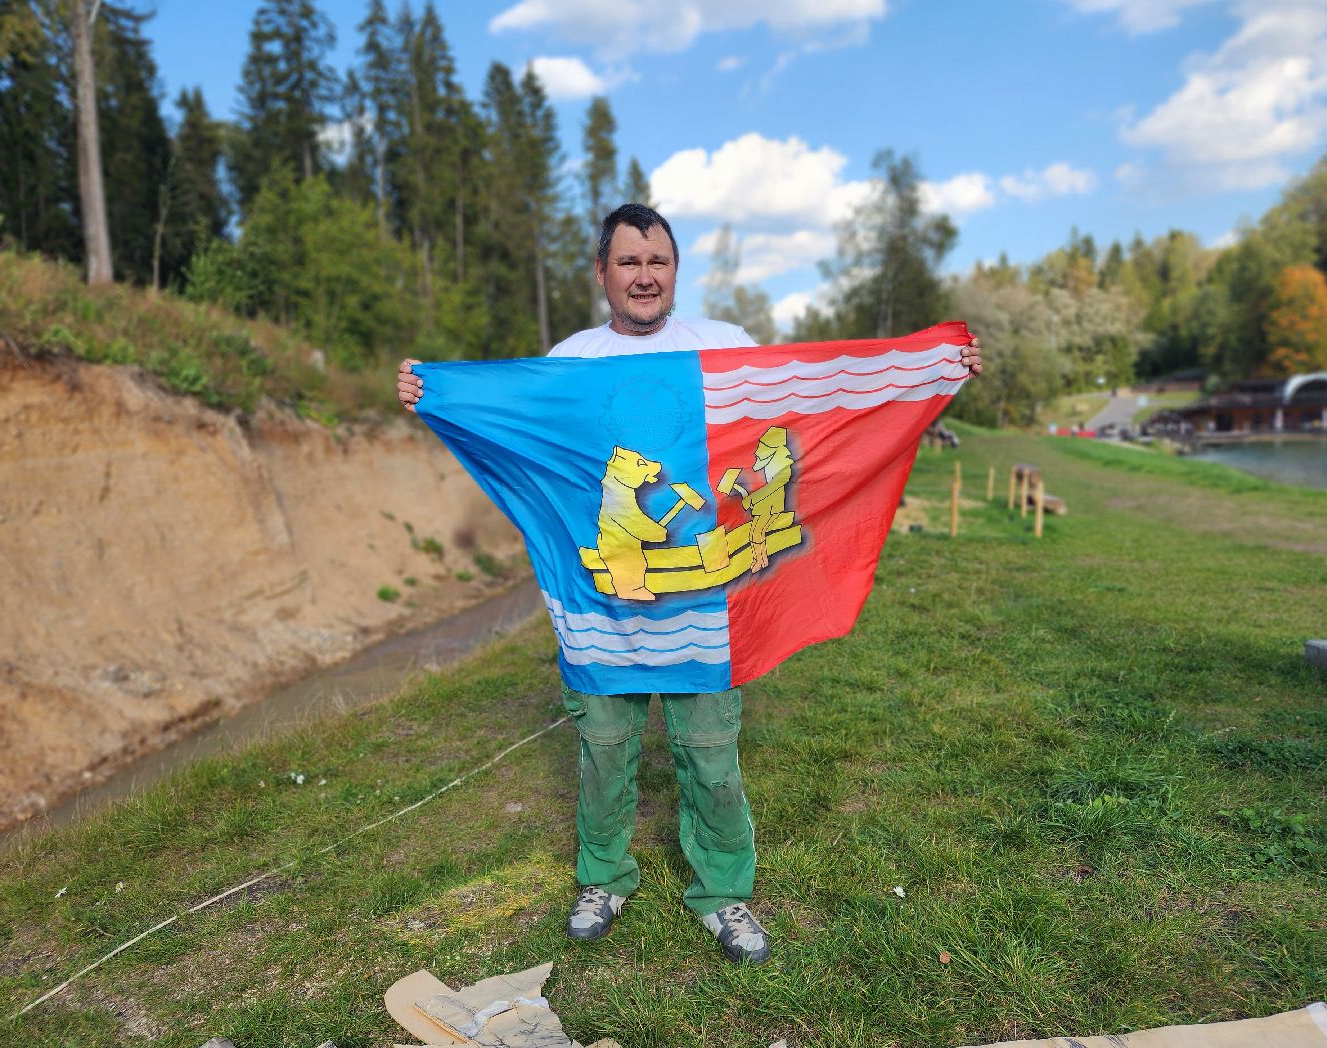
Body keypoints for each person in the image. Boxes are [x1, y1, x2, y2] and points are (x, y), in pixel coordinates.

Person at [395, 204, 982, 965]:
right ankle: (603, 876)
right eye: (629, 262)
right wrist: (437, 398)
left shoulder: (725, 350)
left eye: (658, 262)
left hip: (708, 609)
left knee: (710, 753)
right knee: (604, 750)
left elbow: (815, 403)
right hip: (604, 606)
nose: (645, 276)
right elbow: (525, 439)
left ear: (675, 271)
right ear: (603, 272)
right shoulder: (570, 360)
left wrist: (930, 371)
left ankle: (723, 894)